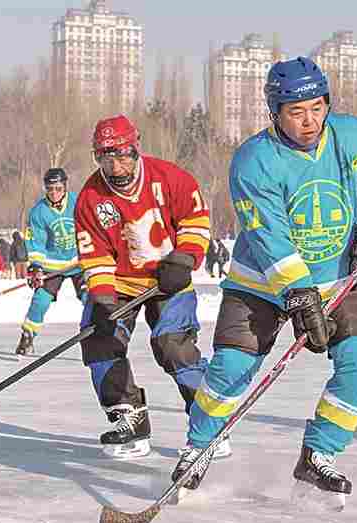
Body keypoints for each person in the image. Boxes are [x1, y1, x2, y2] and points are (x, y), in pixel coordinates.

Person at [171, 57, 357, 507]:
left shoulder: (353, 137)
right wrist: (298, 294)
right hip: (260, 282)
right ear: (275, 112)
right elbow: (269, 235)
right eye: (297, 112)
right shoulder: (254, 160)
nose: (310, 121)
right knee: (232, 368)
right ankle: (197, 447)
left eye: (317, 108)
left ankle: (319, 454)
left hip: (337, 278)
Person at [74, 114, 230, 460]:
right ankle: (128, 417)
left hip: (168, 278)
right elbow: (95, 254)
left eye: (122, 155)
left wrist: (184, 259)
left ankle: (210, 421)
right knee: (100, 341)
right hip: (121, 282)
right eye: (105, 158)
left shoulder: (170, 178)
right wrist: (103, 299)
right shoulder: (90, 198)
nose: (115, 166)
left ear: (135, 148)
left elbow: (195, 220)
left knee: (173, 345)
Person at [15, 168, 85, 355]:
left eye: (58, 188)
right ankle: (28, 335)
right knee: (41, 300)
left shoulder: (78, 202)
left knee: (91, 297)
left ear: (65, 187)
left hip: (79, 262)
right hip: (53, 265)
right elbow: (36, 244)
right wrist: (36, 268)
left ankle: (99, 334)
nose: (54, 193)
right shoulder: (38, 212)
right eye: (50, 189)